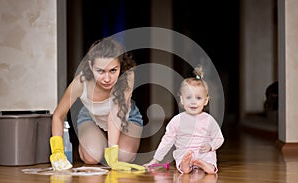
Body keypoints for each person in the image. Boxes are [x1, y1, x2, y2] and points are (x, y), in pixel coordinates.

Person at [50, 37, 145, 171]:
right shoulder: (80, 82)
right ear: (90, 66)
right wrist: (57, 151)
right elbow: (58, 116)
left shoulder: (127, 76)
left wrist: (112, 153)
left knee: (123, 156)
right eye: (100, 71)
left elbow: (114, 115)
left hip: (125, 118)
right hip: (92, 118)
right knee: (91, 157)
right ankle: (98, 140)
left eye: (113, 70)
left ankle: (106, 145)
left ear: (120, 65)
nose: (107, 79)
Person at [144, 67, 224, 174]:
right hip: (185, 153)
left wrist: (211, 146)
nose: (193, 102)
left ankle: (207, 166)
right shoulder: (177, 120)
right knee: (182, 156)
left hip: (203, 152)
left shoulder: (209, 120)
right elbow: (167, 141)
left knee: (209, 156)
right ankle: (185, 165)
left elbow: (219, 137)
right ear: (182, 100)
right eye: (189, 97)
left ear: (206, 101)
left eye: (198, 98)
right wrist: (156, 159)